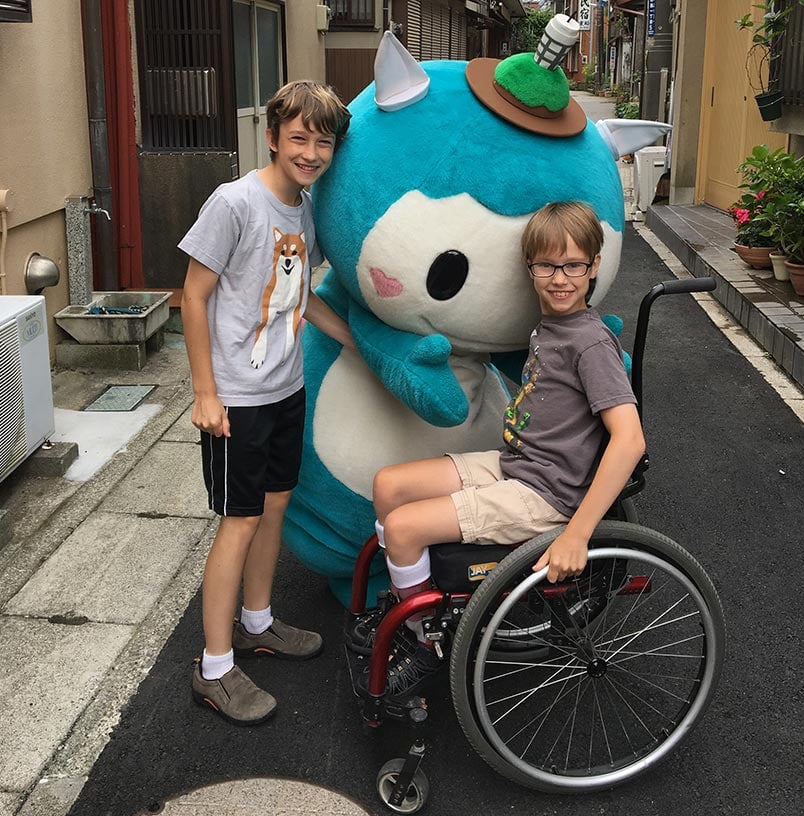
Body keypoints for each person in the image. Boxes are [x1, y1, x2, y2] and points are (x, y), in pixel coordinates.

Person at [357, 201, 646, 695]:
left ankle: (425, 645)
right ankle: (417, 600)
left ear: (594, 266)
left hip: (547, 494)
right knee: (389, 484)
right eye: (546, 266)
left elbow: (630, 438)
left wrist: (577, 534)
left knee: (403, 529)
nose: (560, 279)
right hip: (518, 465)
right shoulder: (549, 326)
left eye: (574, 265)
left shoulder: (590, 344)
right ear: (529, 267)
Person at [179, 80, 353, 725]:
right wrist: (204, 393)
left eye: (322, 141)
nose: (310, 151)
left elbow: (302, 302)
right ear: (274, 137)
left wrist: (359, 345)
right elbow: (192, 295)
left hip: (285, 387)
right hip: (236, 397)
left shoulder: (303, 210)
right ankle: (215, 668)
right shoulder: (235, 202)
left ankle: (257, 622)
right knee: (240, 519)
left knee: (275, 505)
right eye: (299, 137)